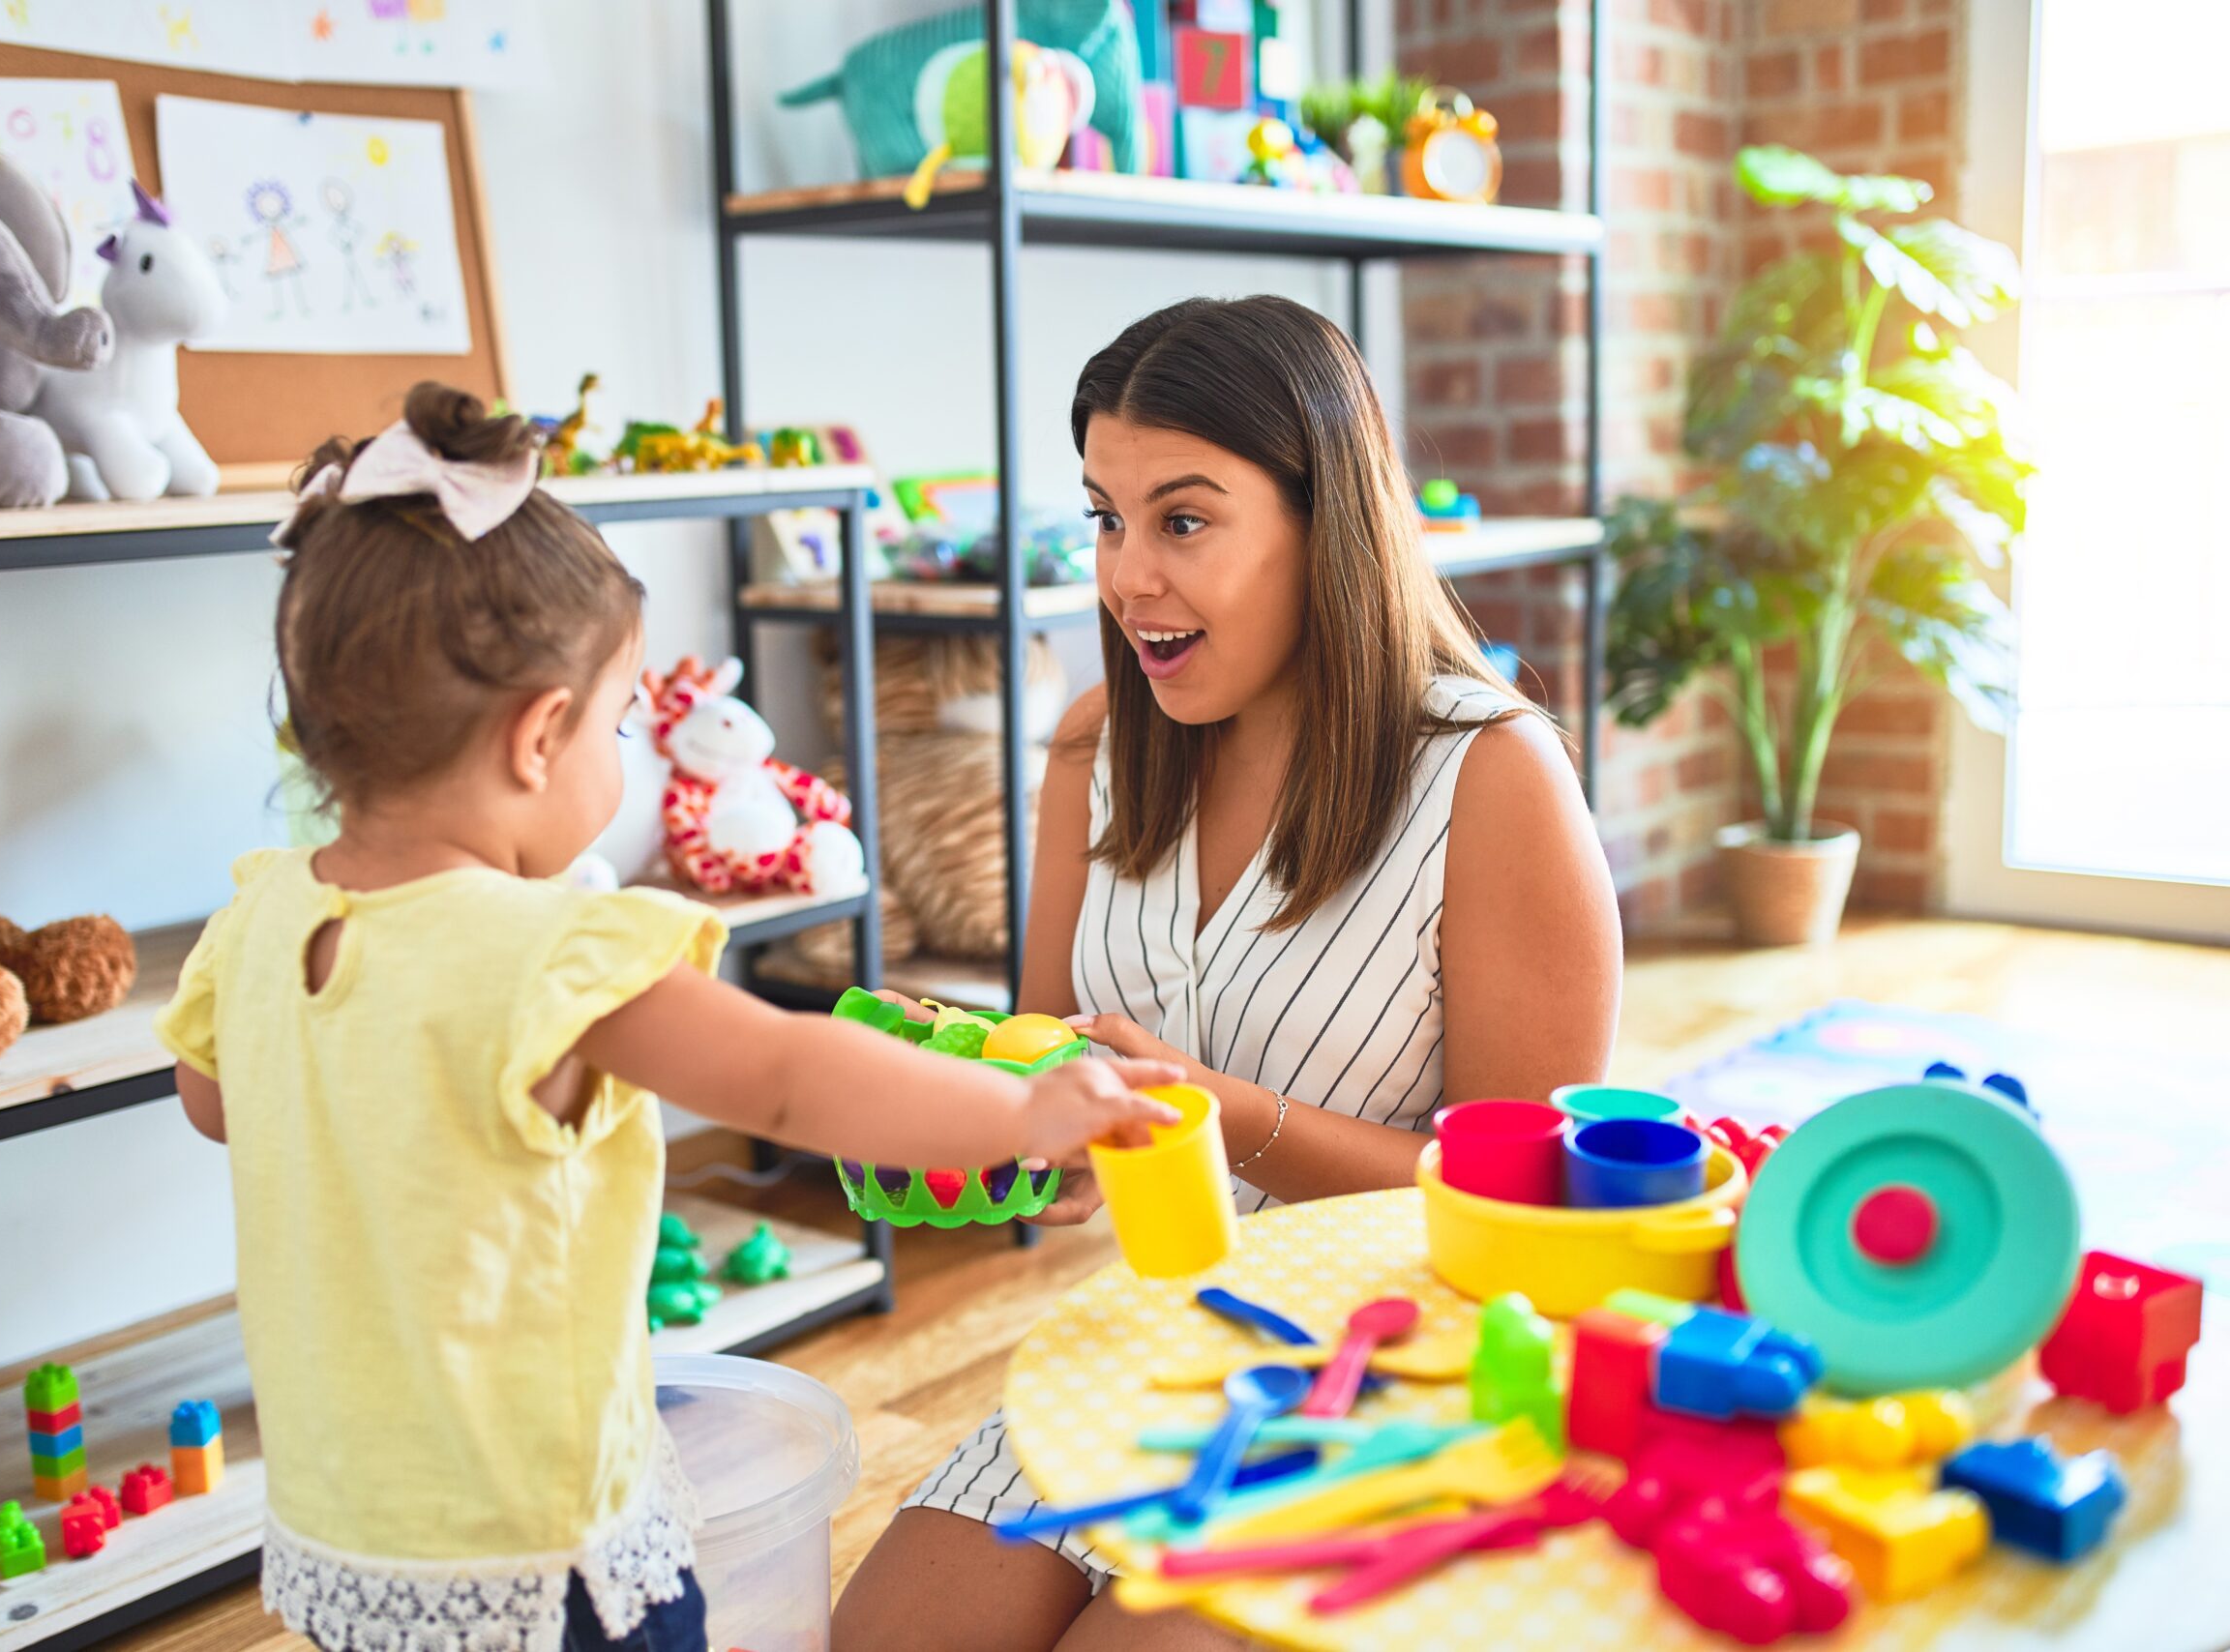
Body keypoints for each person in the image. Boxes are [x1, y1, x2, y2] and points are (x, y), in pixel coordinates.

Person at [157, 384, 1181, 1652]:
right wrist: (1021, 1108)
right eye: (626, 718)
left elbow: (217, 1105)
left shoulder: (254, 923)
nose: (630, 750)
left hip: (349, 1531)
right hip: (538, 1542)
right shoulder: (551, 954)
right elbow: (794, 1077)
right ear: (540, 736)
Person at [833, 296, 1622, 1651]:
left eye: (1183, 521)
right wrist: (983, 1097)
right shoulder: (1099, 745)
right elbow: (1056, 1056)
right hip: (1158, 1340)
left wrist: (1216, 1113)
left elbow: (1533, 1211)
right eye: (1104, 518)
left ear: (1328, 526)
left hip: (1399, 1378)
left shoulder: (1494, 778)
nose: (1127, 576)